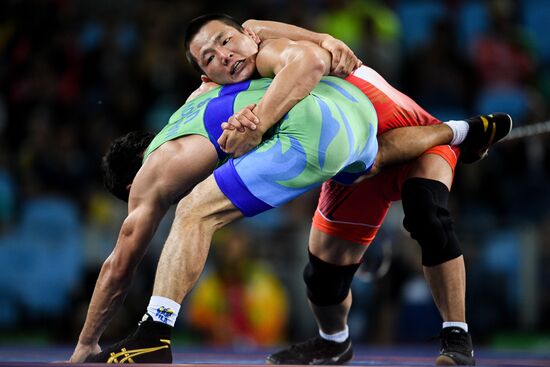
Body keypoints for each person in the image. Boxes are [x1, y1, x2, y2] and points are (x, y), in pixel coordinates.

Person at [69, 17, 511, 365]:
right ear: (203, 75)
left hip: (401, 127)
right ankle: (333, 342)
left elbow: (300, 54)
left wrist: (261, 117)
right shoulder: (236, 68)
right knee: (323, 273)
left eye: (225, 43)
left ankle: (457, 333)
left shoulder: (261, 48)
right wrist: (315, 40)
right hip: (353, 137)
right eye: (208, 57)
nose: (222, 57)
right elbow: (279, 44)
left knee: (426, 214)